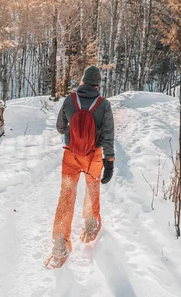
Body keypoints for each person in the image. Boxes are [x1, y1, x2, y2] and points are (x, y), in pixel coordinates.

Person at [45, 65, 115, 269]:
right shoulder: (103, 104)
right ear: (97, 84)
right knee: (92, 188)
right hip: (93, 155)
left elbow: (60, 126)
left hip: (71, 155)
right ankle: (90, 224)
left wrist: (71, 132)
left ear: (83, 81)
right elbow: (108, 136)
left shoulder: (70, 100)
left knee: (66, 195)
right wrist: (109, 162)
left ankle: (59, 242)